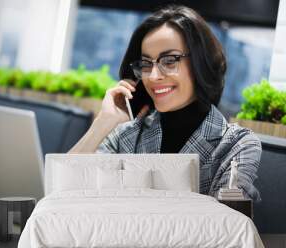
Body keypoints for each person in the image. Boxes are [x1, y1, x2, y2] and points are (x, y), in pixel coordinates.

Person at [69, 5, 262, 202]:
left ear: (200, 63)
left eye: (170, 61)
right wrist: (103, 122)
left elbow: (227, 226)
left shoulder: (237, 145)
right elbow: (63, 193)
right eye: (145, 64)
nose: (153, 76)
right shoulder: (127, 135)